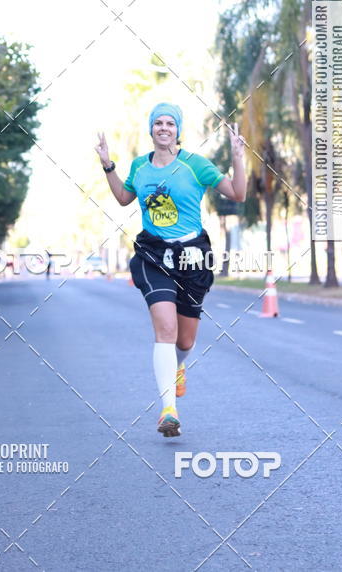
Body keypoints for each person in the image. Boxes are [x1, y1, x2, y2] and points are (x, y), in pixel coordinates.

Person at [95, 102, 245, 437]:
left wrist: (238, 157)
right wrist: (108, 165)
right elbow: (123, 198)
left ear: (178, 130)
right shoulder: (140, 166)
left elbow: (238, 193)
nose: (164, 128)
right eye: (158, 123)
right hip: (153, 255)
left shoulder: (195, 165)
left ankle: (177, 366)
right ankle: (168, 410)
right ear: (151, 129)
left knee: (185, 340)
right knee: (165, 329)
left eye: (170, 124)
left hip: (193, 257)